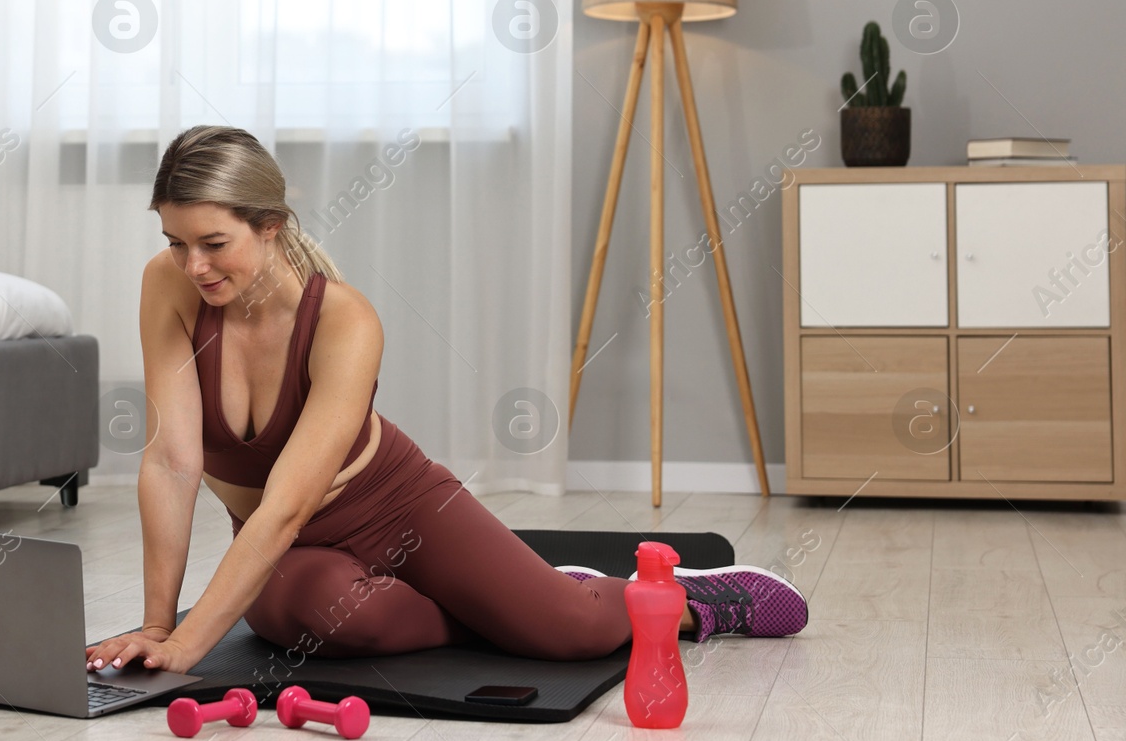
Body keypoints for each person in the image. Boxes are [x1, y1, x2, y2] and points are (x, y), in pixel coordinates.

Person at [85, 125, 806, 678]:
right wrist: (156, 626)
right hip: (288, 549)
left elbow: (287, 505)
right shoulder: (169, 285)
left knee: (568, 634)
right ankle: (498, 603)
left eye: (212, 242)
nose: (193, 265)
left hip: (392, 503)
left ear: (269, 224)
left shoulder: (344, 319)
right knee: (329, 617)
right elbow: (175, 464)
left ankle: (673, 598)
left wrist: (189, 644)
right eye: (176, 242)